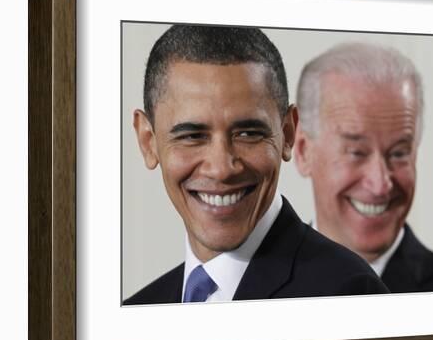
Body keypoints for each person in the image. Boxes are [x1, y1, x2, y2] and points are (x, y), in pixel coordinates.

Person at [124, 25, 388, 305]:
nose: (221, 168)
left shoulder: (349, 295)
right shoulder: (136, 311)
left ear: (288, 133)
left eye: (248, 134)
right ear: (148, 141)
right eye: (192, 136)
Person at [293, 42, 433, 293]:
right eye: (356, 152)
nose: (380, 184)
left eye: (398, 153)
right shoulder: (248, 286)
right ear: (302, 151)